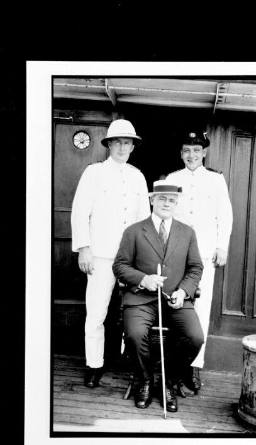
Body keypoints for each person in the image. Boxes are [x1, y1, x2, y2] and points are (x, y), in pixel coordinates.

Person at [71, 119, 151, 388]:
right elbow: (80, 211)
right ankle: (94, 364)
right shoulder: (93, 173)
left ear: (132, 146)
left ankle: (127, 362)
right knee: (96, 312)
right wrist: (84, 248)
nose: (121, 146)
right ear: (108, 144)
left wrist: (144, 256)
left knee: (132, 311)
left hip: (129, 258)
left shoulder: (138, 176)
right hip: (101, 256)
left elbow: (145, 219)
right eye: (116, 141)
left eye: (126, 142)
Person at [112, 180, 204, 412]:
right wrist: (144, 279)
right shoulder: (133, 231)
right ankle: (143, 380)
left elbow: (195, 268)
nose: (166, 203)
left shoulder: (187, 232)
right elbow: (120, 266)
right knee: (134, 334)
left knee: (195, 338)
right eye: (162, 198)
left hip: (175, 300)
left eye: (171, 200)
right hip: (141, 298)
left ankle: (168, 382)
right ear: (152, 200)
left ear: (177, 203)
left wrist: (183, 291)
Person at [166, 130, 233, 391]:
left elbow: (225, 216)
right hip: (176, 255)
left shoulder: (216, 180)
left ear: (204, 152)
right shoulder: (173, 178)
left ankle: (194, 368)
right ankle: (173, 365)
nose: (191, 155)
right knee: (176, 308)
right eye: (186, 150)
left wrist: (222, 246)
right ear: (181, 153)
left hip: (204, 255)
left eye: (196, 150)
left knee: (201, 311)